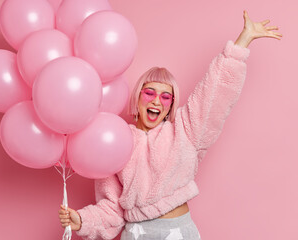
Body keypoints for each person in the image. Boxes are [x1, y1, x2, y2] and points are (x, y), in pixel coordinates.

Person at [59, 10, 282, 240]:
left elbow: (215, 94)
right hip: (136, 233)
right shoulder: (116, 139)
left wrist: (241, 44)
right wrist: (83, 221)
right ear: (138, 97)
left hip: (178, 232)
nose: (157, 100)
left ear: (170, 105)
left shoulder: (185, 129)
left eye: (165, 97)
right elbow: (111, 209)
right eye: (150, 93)